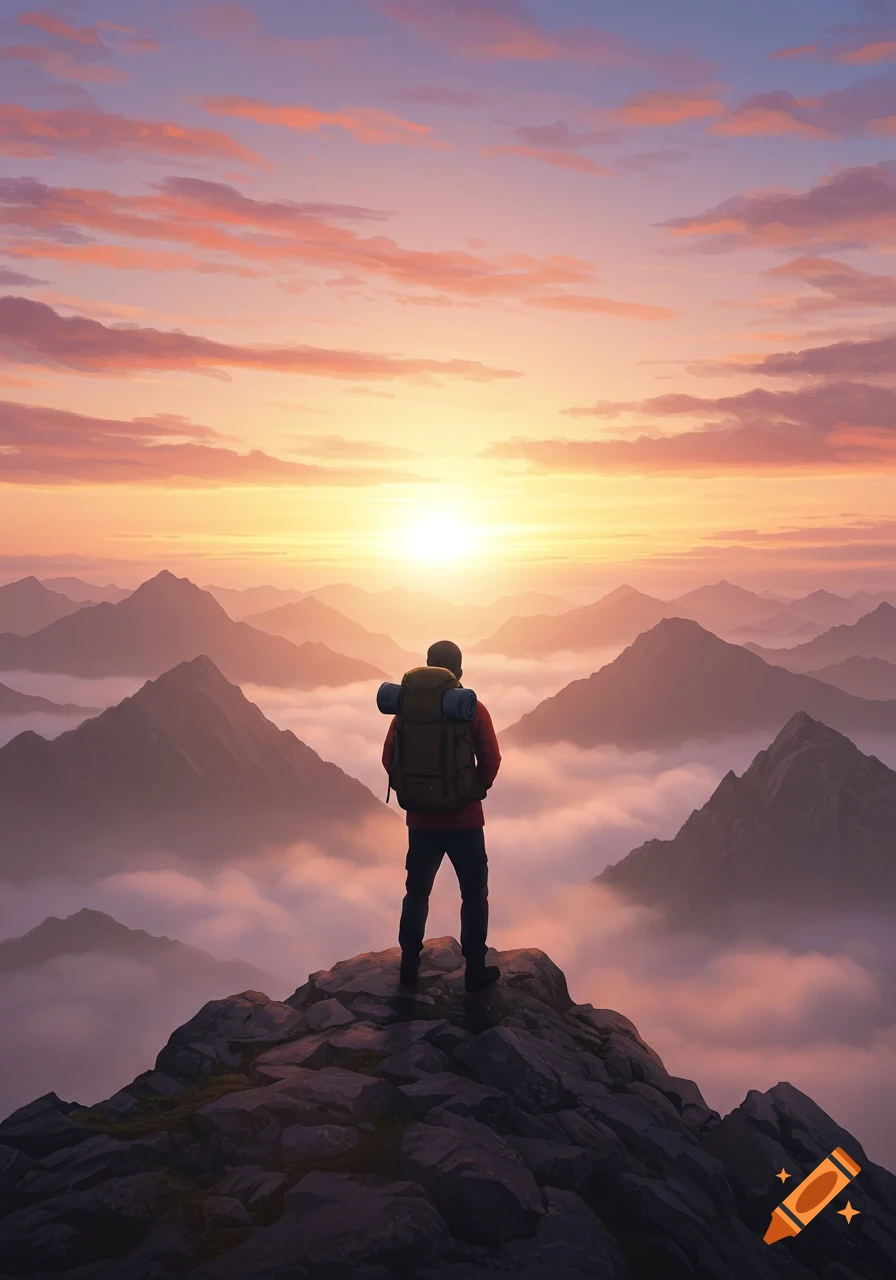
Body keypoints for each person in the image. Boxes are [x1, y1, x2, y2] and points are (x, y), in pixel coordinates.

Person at [382, 639, 502, 993]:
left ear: (428, 665)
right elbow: (491, 759)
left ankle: (408, 965)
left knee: (416, 892)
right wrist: (474, 790)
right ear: (459, 672)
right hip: (465, 821)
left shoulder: (407, 709)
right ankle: (475, 970)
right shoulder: (470, 708)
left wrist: (416, 792)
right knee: (474, 893)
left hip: (420, 822)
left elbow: (389, 757)